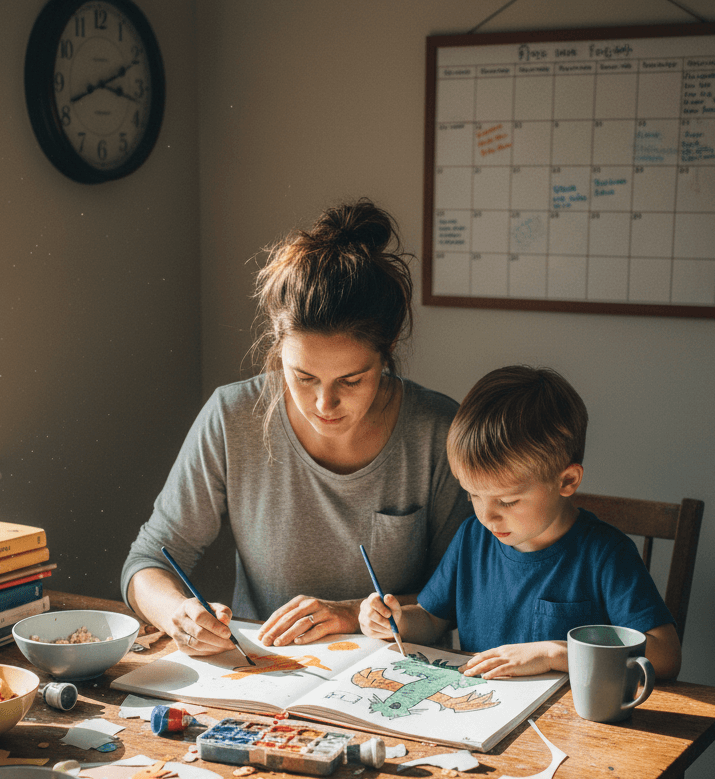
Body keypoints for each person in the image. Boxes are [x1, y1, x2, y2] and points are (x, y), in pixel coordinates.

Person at [121, 199, 468, 656]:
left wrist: (348, 614)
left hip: (397, 678)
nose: (324, 404)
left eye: (352, 380)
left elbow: (462, 593)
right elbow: (147, 561)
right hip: (266, 674)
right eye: (303, 377)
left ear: (387, 353)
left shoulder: (437, 430)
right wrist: (176, 614)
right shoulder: (232, 415)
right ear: (277, 350)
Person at [359, 365, 682, 679]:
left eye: (508, 501)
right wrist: (396, 621)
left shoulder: (605, 554)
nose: (486, 516)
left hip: (570, 722)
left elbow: (666, 656)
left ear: (567, 481)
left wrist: (557, 653)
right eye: (472, 495)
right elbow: (432, 618)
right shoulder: (473, 537)